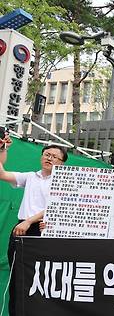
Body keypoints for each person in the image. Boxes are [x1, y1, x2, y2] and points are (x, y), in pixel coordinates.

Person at [0, 134, 67, 316]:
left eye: (54, 157)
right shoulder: (30, 177)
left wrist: (30, 221)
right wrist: (3, 148)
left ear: (62, 163)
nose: (49, 158)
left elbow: (54, 206)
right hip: (21, 230)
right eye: (46, 154)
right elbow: (2, 174)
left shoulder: (65, 182)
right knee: (17, 278)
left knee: (42, 278)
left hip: (44, 231)